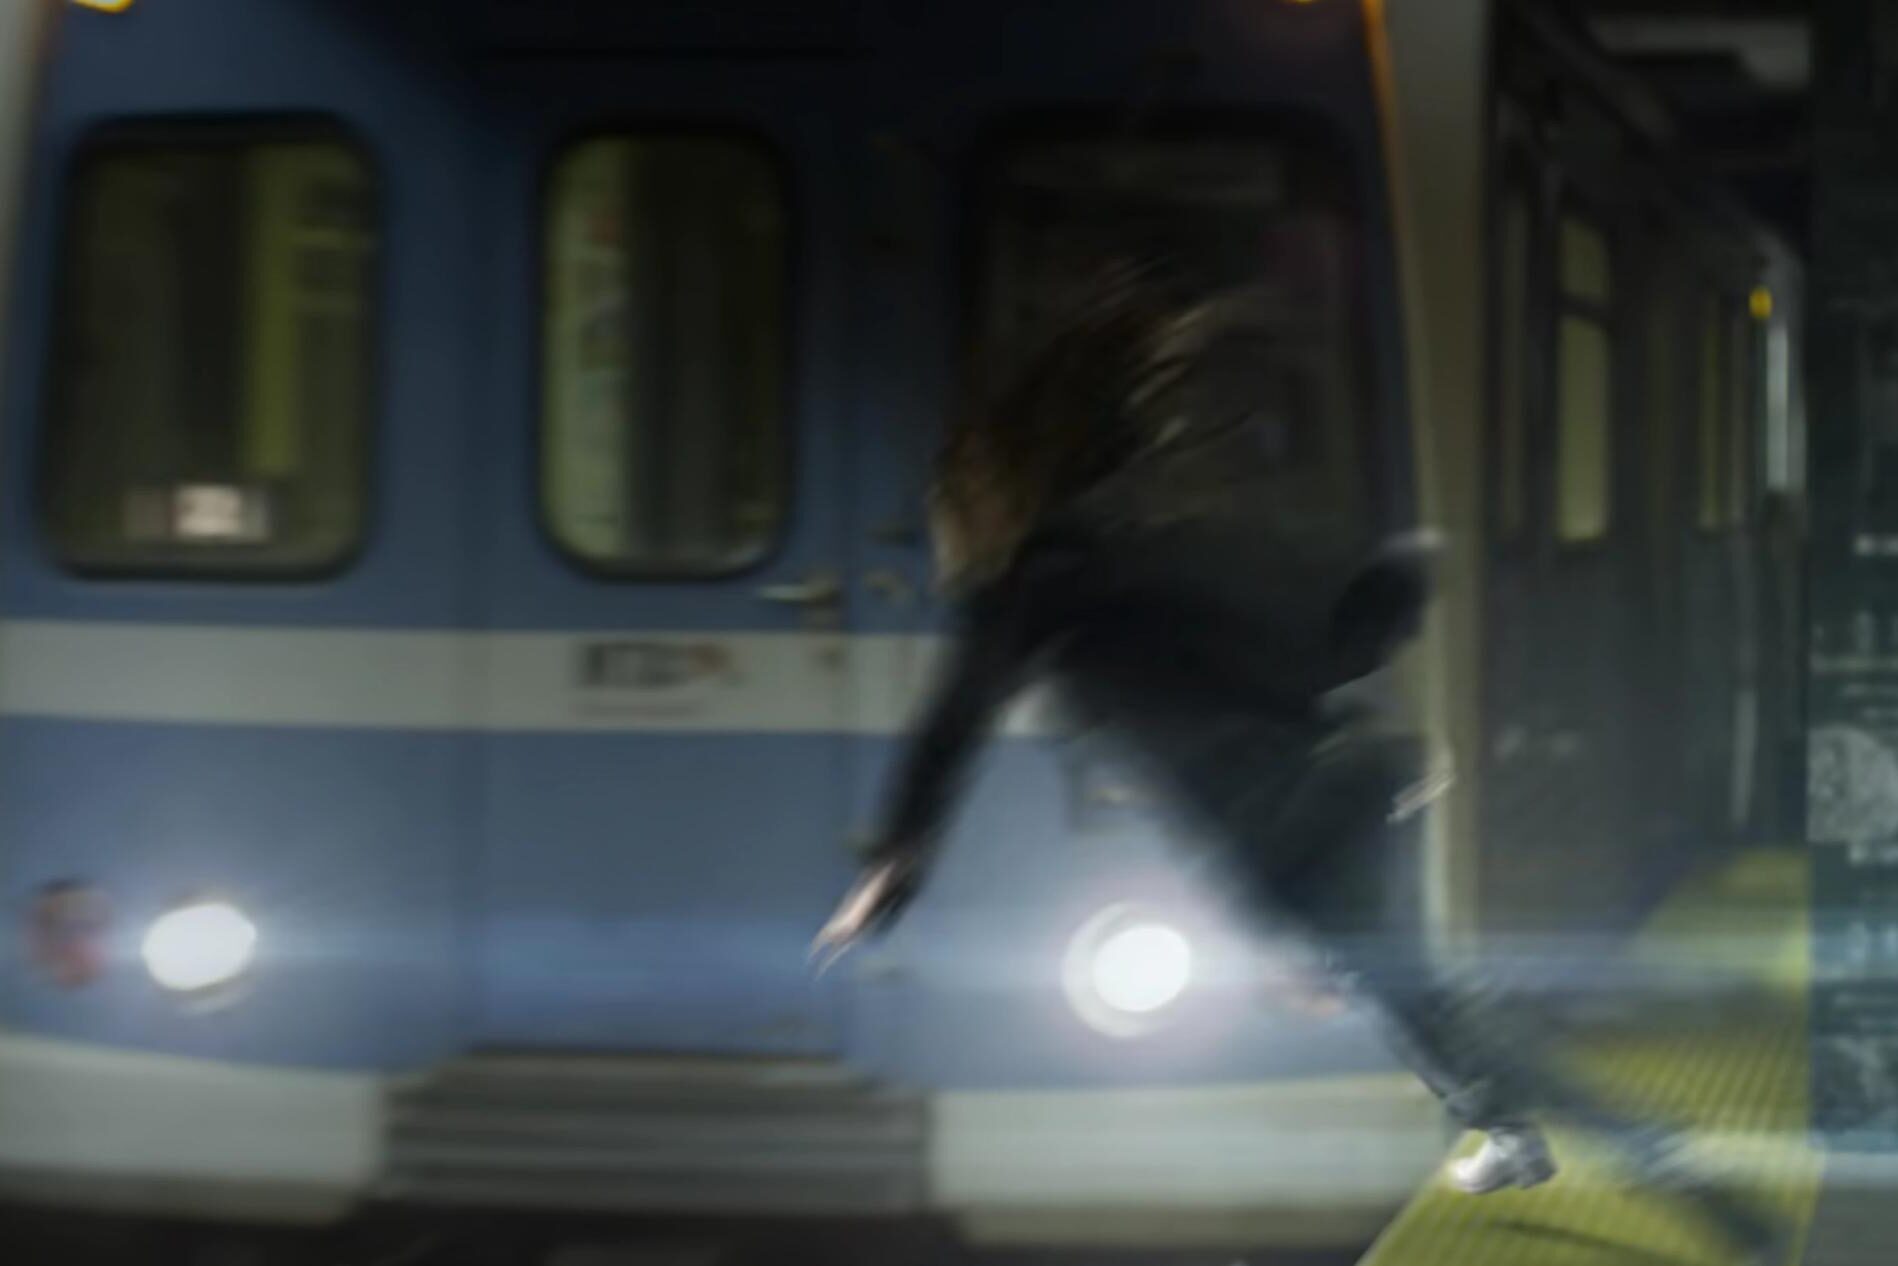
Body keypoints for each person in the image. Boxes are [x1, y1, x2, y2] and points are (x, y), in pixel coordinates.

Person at [811, 267, 1785, 1262]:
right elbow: (1306, 650)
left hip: (1295, 830)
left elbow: (954, 722)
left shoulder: (1034, 584)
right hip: (1350, 781)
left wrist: (893, 864)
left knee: (1438, 1004)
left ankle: (1687, 1182)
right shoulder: (1136, 541)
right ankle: (1508, 1134)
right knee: (1407, 989)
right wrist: (1394, 587)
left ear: (992, 492)